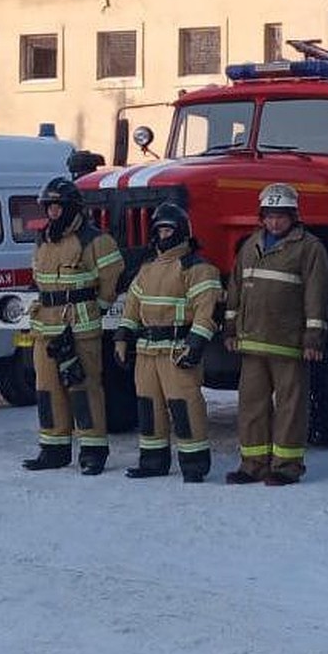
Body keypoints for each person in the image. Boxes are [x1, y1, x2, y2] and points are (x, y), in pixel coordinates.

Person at [223, 183, 328, 486]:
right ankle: (253, 464)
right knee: (251, 405)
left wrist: (313, 337)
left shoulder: (310, 248)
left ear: (293, 216)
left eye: (280, 217)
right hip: (252, 341)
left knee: (290, 406)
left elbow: (316, 295)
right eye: (269, 216)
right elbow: (235, 289)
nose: (274, 222)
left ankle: (286, 466)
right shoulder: (250, 246)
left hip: (289, 343)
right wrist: (230, 327)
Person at [22, 177, 125, 475]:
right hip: (45, 325)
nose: (53, 212)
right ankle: (53, 449)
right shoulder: (43, 239)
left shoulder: (95, 239)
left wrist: (97, 309)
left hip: (79, 327)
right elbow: (38, 277)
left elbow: (113, 277)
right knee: (46, 389)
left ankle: (93, 451)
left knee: (83, 387)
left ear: (72, 208)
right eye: (49, 207)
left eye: (58, 206)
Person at [114, 202, 222, 482]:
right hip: (148, 351)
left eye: (169, 230)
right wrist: (123, 336)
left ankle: (194, 464)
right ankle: (152, 461)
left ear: (183, 232)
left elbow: (207, 309)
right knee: (148, 408)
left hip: (177, 350)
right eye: (160, 230)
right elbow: (132, 306)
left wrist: (196, 344)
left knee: (184, 407)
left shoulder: (197, 268)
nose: (164, 235)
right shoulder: (147, 268)